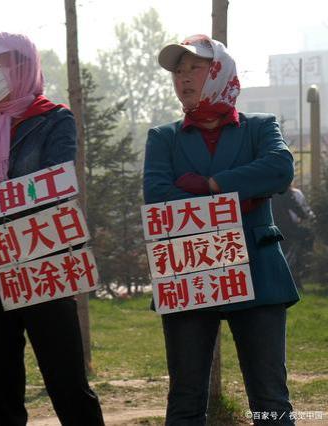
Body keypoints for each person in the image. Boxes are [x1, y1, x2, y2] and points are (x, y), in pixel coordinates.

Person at [0, 32, 104, 426]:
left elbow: (56, 184)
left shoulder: (55, 119)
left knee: (67, 380)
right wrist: (3, 221)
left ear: (20, 66)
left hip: (42, 261)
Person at [145, 34, 299, 425]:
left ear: (219, 71)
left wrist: (209, 185)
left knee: (270, 398)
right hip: (188, 271)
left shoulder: (260, 127)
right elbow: (158, 197)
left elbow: (280, 170)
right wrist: (242, 194)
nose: (184, 77)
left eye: (195, 67)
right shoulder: (163, 138)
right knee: (185, 398)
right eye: (178, 71)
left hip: (259, 269)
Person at [272, 185, 315, 289]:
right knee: (307, 235)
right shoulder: (284, 190)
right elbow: (297, 207)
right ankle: (306, 258)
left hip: (272, 228)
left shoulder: (268, 189)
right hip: (286, 229)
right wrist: (306, 216)